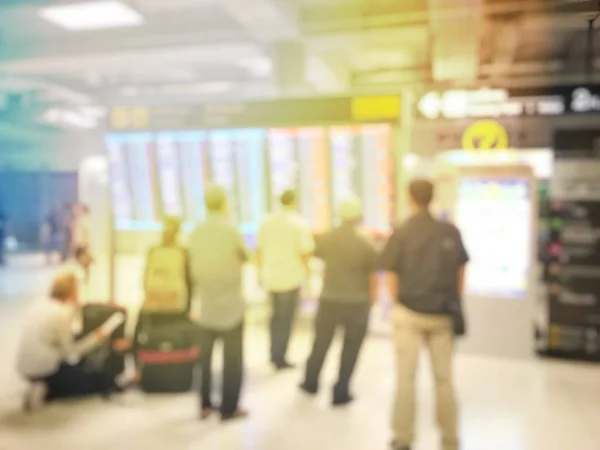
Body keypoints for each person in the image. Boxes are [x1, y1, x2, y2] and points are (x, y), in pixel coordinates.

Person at [380, 179, 469, 450]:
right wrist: (453, 299)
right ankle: (450, 438)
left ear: (410, 198)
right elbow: (460, 272)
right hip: (443, 315)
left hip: (409, 314)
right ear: (433, 197)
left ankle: (403, 438)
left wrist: (398, 303)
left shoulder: (402, 231)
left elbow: (391, 274)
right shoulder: (450, 231)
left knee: (405, 378)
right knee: (444, 380)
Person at [300, 197, 378, 406]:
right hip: (357, 304)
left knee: (320, 343)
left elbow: (314, 255)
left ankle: (310, 382)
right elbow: (373, 277)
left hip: (329, 301)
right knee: (350, 349)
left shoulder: (327, 238)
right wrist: (372, 301)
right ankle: (340, 392)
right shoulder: (366, 243)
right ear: (359, 217)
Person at [16, 270, 130, 412]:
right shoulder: (60, 314)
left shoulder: (39, 305)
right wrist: (98, 337)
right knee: (93, 380)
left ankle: (44, 386)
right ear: (72, 292)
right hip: (45, 368)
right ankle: (47, 387)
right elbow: (71, 352)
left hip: (23, 366)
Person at [188, 185, 249, 421]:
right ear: (225, 203)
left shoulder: (196, 232)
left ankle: (204, 405)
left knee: (204, 360)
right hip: (231, 306)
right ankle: (229, 408)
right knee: (232, 361)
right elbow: (245, 256)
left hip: (205, 306)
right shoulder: (231, 231)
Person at [257, 190, 314, 370]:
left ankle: (274, 353)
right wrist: (309, 277)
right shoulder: (298, 223)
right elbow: (305, 253)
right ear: (294, 201)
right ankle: (280, 357)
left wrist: (260, 273)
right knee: (286, 318)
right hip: (291, 277)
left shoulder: (267, 222)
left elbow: (259, 250)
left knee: (275, 317)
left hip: (271, 276)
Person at [134, 216, 192, 348]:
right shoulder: (154, 251)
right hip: (154, 306)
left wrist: (188, 308)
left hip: (175, 307)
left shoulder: (182, 252)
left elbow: (188, 281)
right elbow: (146, 277)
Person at [72, 204, 93, 279]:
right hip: (78, 243)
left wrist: (85, 243)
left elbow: (86, 232)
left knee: (81, 259)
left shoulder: (84, 220)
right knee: (77, 259)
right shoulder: (78, 219)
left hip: (82, 243)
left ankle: (86, 272)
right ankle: (86, 271)